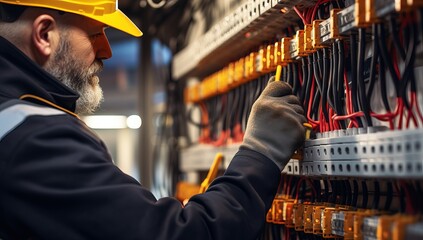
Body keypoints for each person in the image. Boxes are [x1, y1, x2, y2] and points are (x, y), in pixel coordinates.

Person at [0, 0, 306, 239]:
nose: (106, 51)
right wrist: (260, 154)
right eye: (95, 33)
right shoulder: (34, 137)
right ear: (43, 34)